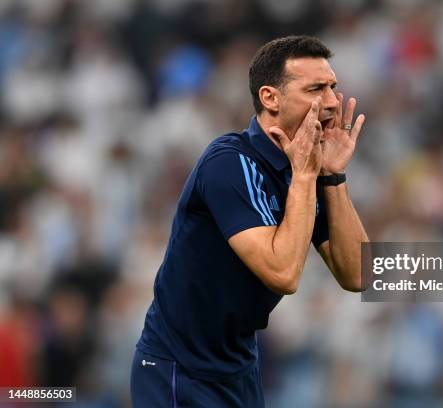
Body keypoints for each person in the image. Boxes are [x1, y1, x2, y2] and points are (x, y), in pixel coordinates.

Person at [130, 35, 369, 407]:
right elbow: (283, 273)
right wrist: (307, 177)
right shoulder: (229, 162)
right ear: (270, 98)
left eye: (333, 88)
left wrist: (333, 176)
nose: (332, 101)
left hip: (238, 368)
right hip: (179, 370)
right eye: (315, 89)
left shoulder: (306, 166)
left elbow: (357, 274)